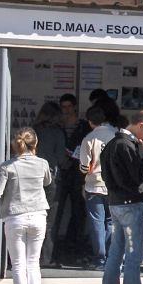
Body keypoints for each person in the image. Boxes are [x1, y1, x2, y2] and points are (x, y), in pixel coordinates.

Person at [100, 110, 143, 284]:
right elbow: (138, 176)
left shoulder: (111, 144)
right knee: (134, 256)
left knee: (115, 253)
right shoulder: (126, 146)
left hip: (115, 202)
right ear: (141, 125)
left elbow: (105, 174)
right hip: (132, 203)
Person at [0, 128, 52, 284]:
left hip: (15, 216)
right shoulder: (43, 163)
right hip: (38, 215)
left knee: (18, 265)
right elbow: (47, 182)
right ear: (35, 143)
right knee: (33, 263)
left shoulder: (7, 166)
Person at [80, 105, 117, 270]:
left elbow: (83, 166)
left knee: (97, 223)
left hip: (94, 185)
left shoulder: (89, 138)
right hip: (113, 185)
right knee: (111, 222)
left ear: (90, 121)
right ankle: (111, 256)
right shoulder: (116, 135)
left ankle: (99, 258)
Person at [57, 93, 91, 263]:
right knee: (57, 210)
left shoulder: (83, 126)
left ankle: (77, 246)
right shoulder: (58, 126)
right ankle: (55, 248)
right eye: (63, 107)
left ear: (75, 107)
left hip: (79, 174)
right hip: (61, 173)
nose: (66, 110)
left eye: (69, 106)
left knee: (79, 212)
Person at [33, 102, 66, 269]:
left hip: (32, 179)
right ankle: (46, 258)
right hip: (51, 178)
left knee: (32, 217)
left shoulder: (33, 131)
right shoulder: (57, 132)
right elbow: (61, 158)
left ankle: (31, 256)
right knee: (49, 221)